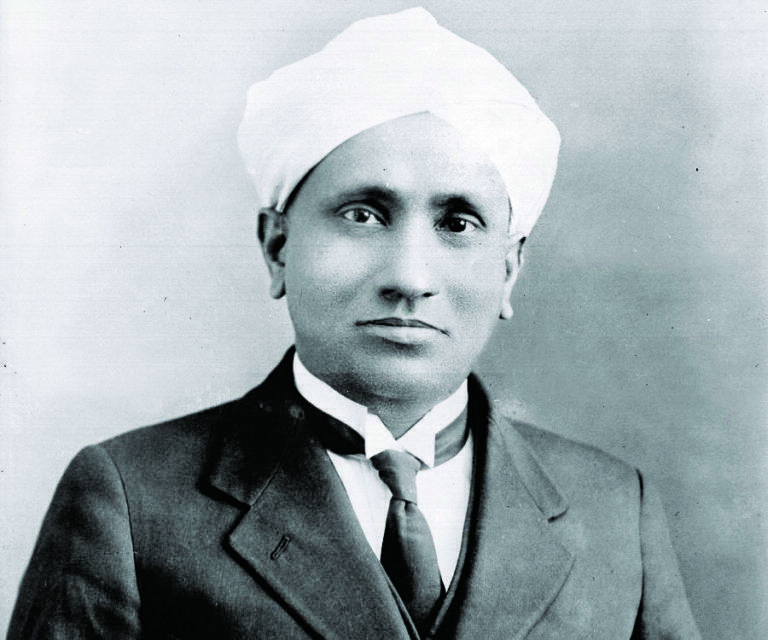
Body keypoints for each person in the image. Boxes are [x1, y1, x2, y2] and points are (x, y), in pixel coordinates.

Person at [8, 8, 700, 639]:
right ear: (278, 247)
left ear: (509, 270)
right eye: (363, 215)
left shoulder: (613, 508)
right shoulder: (133, 500)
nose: (410, 277)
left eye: (458, 223)